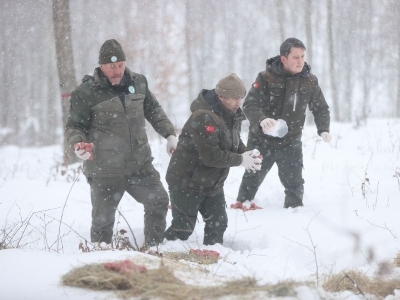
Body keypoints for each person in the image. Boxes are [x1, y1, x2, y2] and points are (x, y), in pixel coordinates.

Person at [65, 39, 178, 248]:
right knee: (102, 222)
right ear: (101, 66)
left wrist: (169, 134)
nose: (117, 71)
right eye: (111, 66)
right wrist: (78, 145)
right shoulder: (86, 93)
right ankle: (101, 259)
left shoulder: (139, 83)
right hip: (104, 169)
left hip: (139, 165)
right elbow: (74, 126)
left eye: (120, 65)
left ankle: (154, 250)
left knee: (158, 200)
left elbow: (153, 110)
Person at [232, 38, 331, 209]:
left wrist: (323, 129)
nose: (300, 61)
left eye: (302, 56)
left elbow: (320, 108)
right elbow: (249, 104)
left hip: (290, 141)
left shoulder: (310, 81)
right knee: (252, 177)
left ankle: (294, 214)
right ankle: (242, 208)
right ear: (284, 58)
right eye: (295, 57)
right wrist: (262, 119)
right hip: (261, 140)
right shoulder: (265, 78)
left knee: (294, 182)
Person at [164, 73, 262, 245]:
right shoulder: (204, 117)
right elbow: (210, 156)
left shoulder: (232, 114)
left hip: (212, 183)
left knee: (218, 224)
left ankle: (213, 259)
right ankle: (160, 252)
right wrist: (241, 160)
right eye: (234, 98)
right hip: (187, 181)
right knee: (183, 228)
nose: (238, 102)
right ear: (221, 96)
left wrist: (248, 154)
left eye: (240, 97)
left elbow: (234, 142)